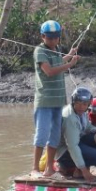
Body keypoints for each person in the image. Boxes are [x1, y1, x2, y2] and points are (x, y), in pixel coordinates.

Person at [32, 20, 80, 177]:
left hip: (59, 102)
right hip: (45, 101)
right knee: (42, 134)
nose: (53, 41)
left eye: (56, 38)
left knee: (54, 136)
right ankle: (35, 168)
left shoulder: (57, 49)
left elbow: (59, 61)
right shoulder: (40, 51)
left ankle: (49, 168)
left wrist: (70, 55)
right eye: (50, 38)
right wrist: (70, 65)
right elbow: (49, 71)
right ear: (43, 37)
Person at [55, 87, 96, 182]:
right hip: (64, 152)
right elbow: (72, 146)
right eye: (78, 103)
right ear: (73, 102)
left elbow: (87, 127)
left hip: (75, 143)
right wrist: (84, 171)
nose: (81, 107)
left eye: (84, 104)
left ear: (88, 105)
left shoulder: (81, 113)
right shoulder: (70, 118)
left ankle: (77, 168)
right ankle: (71, 167)